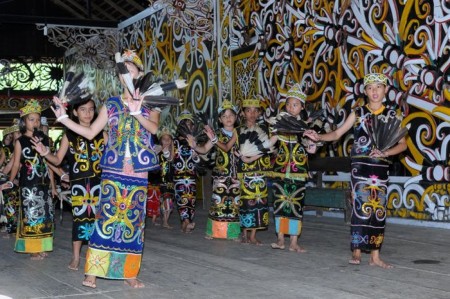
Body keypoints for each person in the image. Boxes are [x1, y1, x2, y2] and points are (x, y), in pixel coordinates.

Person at [51, 49, 160, 288]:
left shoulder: (151, 102)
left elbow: (153, 129)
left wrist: (136, 112)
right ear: (120, 77)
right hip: (113, 170)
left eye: (132, 71)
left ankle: (129, 273)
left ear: (140, 74)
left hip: (138, 171)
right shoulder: (110, 105)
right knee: (106, 219)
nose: (128, 76)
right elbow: (90, 132)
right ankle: (92, 270)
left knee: (133, 222)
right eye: (124, 72)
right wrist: (63, 119)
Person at [304, 73, 407, 269]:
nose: (375, 91)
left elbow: (402, 145)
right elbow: (337, 133)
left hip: (380, 167)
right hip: (360, 168)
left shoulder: (393, 115)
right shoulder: (358, 112)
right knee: (360, 208)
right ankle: (357, 251)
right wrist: (318, 137)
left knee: (378, 210)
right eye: (370, 87)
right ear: (365, 91)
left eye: (379, 87)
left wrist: (385, 151)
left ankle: (375, 256)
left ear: (385, 90)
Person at [33, 98, 106, 271]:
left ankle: (96, 255)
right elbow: (57, 159)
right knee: (80, 219)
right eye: (83, 109)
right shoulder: (69, 134)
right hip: (79, 184)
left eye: (90, 109)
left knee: (99, 220)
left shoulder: (103, 133)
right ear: (74, 112)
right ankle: (75, 257)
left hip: (100, 183)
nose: (88, 113)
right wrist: (45, 153)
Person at [0, 100, 56, 260]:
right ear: (24, 122)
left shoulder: (45, 140)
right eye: (31, 119)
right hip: (28, 185)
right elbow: (16, 164)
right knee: (31, 217)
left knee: (45, 218)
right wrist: (11, 181)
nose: (35, 122)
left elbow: (49, 163)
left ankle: (41, 246)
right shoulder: (20, 141)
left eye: (38, 119)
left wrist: (53, 185)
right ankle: (33, 249)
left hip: (43, 184)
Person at [267, 84, 316, 252]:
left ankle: (294, 241)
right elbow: (270, 144)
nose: (290, 107)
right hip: (280, 169)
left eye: (295, 104)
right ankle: (280, 239)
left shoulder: (305, 127)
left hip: (299, 170)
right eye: (288, 104)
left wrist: (312, 144)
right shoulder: (279, 123)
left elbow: (311, 149)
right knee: (280, 204)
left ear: (302, 107)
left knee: (295, 204)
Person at [187, 100, 241, 240]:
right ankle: (213, 232)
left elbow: (228, 147)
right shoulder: (215, 133)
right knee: (218, 203)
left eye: (231, 115)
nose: (228, 118)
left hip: (236, 174)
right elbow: (204, 149)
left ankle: (233, 233)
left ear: (236, 117)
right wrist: (194, 146)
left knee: (234, 204)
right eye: (224, 116)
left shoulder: (240, 132)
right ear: (220, 119)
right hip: (220, 175)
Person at [235, 98, 271, 245]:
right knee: (245, 202)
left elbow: (267, 148)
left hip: (259, 170)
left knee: (259, 202)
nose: (252, 113)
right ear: (243, 113)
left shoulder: (264, 129)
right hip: (244, 171)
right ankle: (244, 233)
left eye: (255, 111)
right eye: (248, 110)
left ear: (259, 113)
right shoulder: (237, 131)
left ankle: (253, 235)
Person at [172, 110, 200, 233]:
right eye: (185, 124)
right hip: (179, 176)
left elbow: (198, 160)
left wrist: (195, 152)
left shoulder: (194, 142)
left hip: (192, 176)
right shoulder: (175, 142)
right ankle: (187, 221)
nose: (188, 127)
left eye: (190, 124)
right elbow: (171, 158)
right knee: (182, 200)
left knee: (191, 201)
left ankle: (185, 223)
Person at [157, 127, 175, 229]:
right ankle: (164, 220)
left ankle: (165, 220)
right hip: (160, 179)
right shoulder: (158, 150)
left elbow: (171, 159)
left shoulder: (172, 151)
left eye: (169, 139)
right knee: (164, 200)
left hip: (169, 180)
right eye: (164, 139)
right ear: (161, 140)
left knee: (168, 200)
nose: (167, 141)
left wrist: (169, 150)